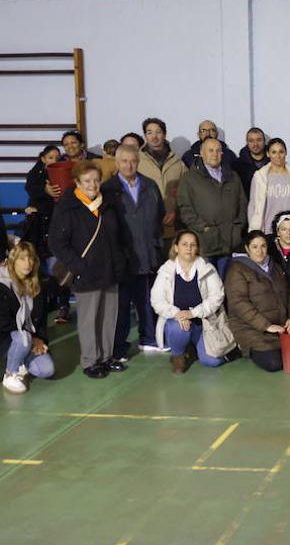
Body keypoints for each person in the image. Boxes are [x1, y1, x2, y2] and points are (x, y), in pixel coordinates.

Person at [47, 160, 127, 378]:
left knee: (109, 317)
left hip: (110, 270)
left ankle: (107, 357)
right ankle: (90, 361)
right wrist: (78, 266)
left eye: (95, 179)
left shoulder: (108, 203)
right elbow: (56, 242)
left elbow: (119, 235)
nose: (92, 184)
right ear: (77, 182)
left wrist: (120, 261)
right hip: (86, 272)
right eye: (86, 180)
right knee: (89, 319)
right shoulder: (67, 207)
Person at [102, 144, 165, 357]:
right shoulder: (108, 189)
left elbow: (159, 216)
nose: (129, 165)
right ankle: (118, 347)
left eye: (133, 161)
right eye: (124, 161)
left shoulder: (150, 185)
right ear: (117, 162)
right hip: (122, 258)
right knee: (120, 307)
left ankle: (149, 338)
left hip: (148, 253)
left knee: (147, 299)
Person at [151, 230, 234, 374]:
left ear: (197, 248)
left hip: (204, 323)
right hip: (178, 322)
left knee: (211, 361)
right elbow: (157, 300)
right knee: (176, 328)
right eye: (184, 244)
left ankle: (195, 348)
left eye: (192, 245)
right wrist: (178, 314)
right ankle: (178, 356)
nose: (189, 248)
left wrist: (192, 313)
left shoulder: (207, 269)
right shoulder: (166, 271)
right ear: (176, 247)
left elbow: (217, 296)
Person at [0, 241, 53, 394]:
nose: (27, 263)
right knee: (23, 338)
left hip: (26, 337)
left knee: (47, 370)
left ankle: (21, 360)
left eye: (31, 258)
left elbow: (41, 320)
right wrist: (31, 339)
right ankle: (10, 373)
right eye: (22, 259)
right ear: (12, 261)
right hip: (0, 336)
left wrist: (40, 339)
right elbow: (3, 323)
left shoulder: (37, 285)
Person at [224, 231, 290, 372]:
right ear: (247, 248)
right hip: (251, 327)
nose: (260, 251)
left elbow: (288, 293)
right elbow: (239, 303)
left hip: (279, 326)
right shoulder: (237, 269)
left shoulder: (274, 266)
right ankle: (242, 349)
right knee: (275, 364)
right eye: (255, 247)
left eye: (263, 246)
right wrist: (266, 326)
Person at [177, 138, 248, 277]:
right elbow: (185, 209)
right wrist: (203, 228)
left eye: (218, 150)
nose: (214, 154)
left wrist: (237, 228)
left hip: (229, 243)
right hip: (204, 244)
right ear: (201, 153)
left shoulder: (233, 177)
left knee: (228, 286)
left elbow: (242, 205)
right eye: (210, 150)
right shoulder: (189, 178)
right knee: (206, 287)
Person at [23, 144, 69, 321]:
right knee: (38, 270)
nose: (54, 161)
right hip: (38, 231)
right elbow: (31, 192)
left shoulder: (63, 173)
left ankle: (63, 304)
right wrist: (43, 191)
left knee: (60, 268)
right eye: (50, 157)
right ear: (42, 159)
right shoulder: (35, 176)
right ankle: (42, 303)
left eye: (57, 158)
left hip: (58, 229)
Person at [248, 138, 290, 242]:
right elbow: (253, 204)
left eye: (281, 152)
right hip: (267, 232)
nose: (278, 155)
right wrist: (254, 229)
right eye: (274, 152)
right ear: (268, 154)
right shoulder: (259, 177)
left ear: (285, 153)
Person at [136, 117, 186, 243]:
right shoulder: (136, 161)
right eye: (149, 132)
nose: (154, 136)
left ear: (164, 134)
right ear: (145, 136)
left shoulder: (178, 162)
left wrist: (176, 212)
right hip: (146, 229)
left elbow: (187, 192)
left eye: (158, 132)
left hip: (173, 228)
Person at [236, 127, 270, 194]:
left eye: (259, 140)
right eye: (251, 141)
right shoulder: (238, 166)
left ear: (264, 141)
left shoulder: (273, 161)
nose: (255, 144)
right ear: (247, 142)